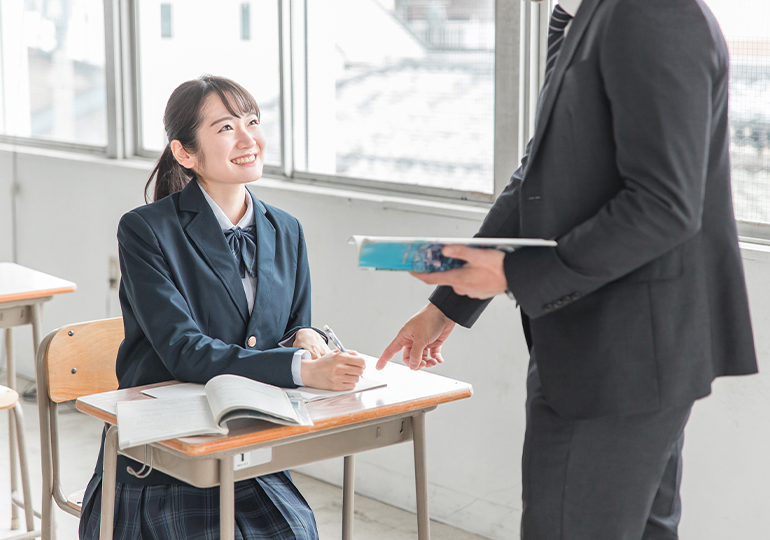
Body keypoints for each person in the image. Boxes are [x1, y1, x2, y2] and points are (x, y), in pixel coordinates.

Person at [377, 1, 758, 538]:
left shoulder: (650, 12)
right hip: (605, 350)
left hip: (621, 356)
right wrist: (448, 304)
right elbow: (538, 174)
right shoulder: (587, 14)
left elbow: (664, 205)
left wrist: (514, 275)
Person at [79, 75, 366, 540]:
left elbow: (291, 323)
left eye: (252, 121)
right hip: (167, 454)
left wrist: (306, 338)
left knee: (297, 532)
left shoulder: (287, 229)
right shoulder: (145, 230)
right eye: (226, 128)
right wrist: (301, 368)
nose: (249, 138)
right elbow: (184, 351)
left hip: (252, 445)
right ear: (185, 153)